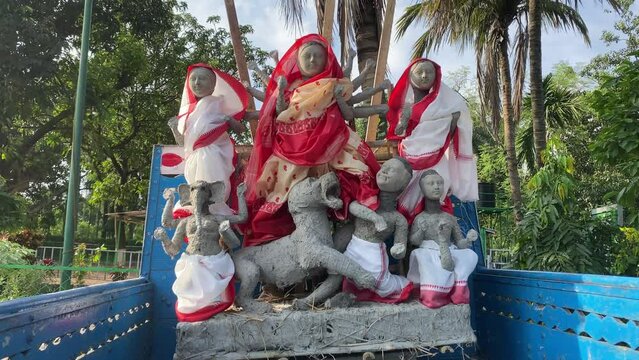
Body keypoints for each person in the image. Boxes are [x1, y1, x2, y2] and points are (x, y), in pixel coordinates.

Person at [243, 34, 380, 246]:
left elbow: (347, 113)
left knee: (358, 175)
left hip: (332, 143)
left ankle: (355, 233)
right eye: (307, 56)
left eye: (318, 56)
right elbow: (280, 112)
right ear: (298, 60)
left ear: (327, 60)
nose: (313, 60)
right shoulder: (290, 87)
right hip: (292, 147)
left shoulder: (336, 84)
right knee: (281, 192)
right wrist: (280, 91)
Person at [386, 59, 478, 223]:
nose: (424, 76)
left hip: (437, 159)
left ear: (437, 76)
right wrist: (403, 120)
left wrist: (451, 121)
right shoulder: (406, 108)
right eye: (419, 72)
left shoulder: (449, 107)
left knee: (438, 186)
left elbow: (451, 133)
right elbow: (397, 133)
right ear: (410, 76)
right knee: (406, 192)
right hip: (409, 156)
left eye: (429, 72)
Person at [167, 63, 248, 219]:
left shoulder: (218, 104)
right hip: (194, 156)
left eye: (202, 79)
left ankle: (216, 212)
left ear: (212, 85)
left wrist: (229, 120)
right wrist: (174, 128)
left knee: (214, 189)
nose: (197, 83)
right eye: (193, 79)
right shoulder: (188, 112)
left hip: (214, 154)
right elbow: (184, 143)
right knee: (196, 188)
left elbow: (240, 128)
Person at [341, 157, 414, 303]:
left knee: (379, 283)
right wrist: (375, 218)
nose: (384, 171)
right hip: (353, 247)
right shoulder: (369, 197)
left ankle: (400, 283)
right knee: (345, 274)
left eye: (391, 170)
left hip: (374, 254)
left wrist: (398, 250)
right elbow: (353, 207)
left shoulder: (398, 219)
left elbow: (400, 247)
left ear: (403, 184)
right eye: (383, 166)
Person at [407, 170, 478, 308]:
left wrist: (468, 240)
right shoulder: (420, 218)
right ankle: (434, 293)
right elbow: (413, 242)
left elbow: (459, 242)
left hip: (449, 251)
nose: (436, 187)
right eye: (431, 183)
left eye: (439, 183)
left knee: (469, 255)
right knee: (425, 259)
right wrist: (421, 230)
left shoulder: (449, 218)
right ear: (422, 188)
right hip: (428, 253)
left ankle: (457, 292)